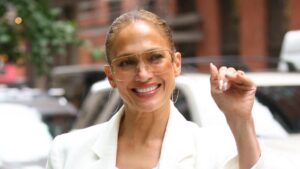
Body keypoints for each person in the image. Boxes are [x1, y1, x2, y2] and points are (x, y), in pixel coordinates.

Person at [46, 9, 263, 169]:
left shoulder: (215, 150)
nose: (143, 74)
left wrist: (240, 119)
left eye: (155, 57)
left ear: (176, 63)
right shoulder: (68, 152)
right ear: (111, 76)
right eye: (127, 62)